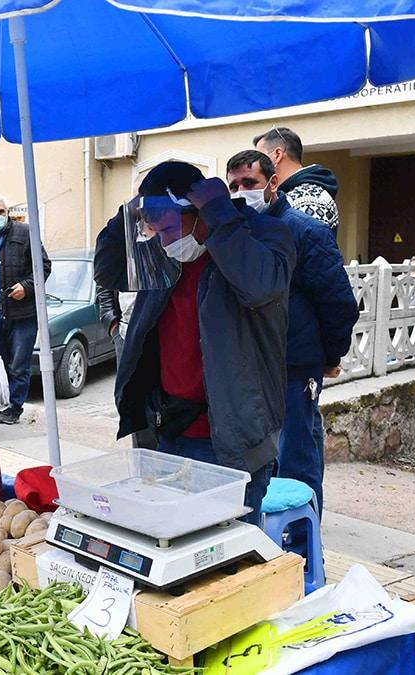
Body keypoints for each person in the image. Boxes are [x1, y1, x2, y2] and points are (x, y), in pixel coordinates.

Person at [94, 161, 295, 525]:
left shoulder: (265, 235)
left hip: (233, 443)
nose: (164, 240)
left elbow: (260, 286)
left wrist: (219, 212)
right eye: (155, 229)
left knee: (230, 562)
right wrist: (131, 210)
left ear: (199, 212)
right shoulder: (163, 254)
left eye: (169, 227)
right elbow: (108, 269)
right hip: (170, 432)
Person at [227, 150, 359, 514]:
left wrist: (328, 357)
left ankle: (302, 543)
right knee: (256, 465)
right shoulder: (233, 235)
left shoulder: (304, 232)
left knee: (296, 461)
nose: (241, 192)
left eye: (249, 183)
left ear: (272, 183)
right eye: (233, 185)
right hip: (249, 370)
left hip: (294, 369)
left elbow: (338, 303)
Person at [0, 193, 51, 425]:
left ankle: (15, 407)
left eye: (0, 211)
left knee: (19, 362)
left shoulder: (25, 233)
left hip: (22, 311)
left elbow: (44, 266)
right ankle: (3, 405)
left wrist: (26, 287)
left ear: (8, 212)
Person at [96, 284, 158, 449]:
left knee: (160, 397)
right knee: (132, 401)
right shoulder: (116, 258)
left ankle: (165, 455)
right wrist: (113, 326)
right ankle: (144, 458)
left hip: (157, 329)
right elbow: (104, 284)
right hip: (124, 333)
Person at [253, 127, 340, 232]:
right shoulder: (288, 195)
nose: (256, 164)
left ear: (277, 155)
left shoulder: (308, 198)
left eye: (259, 158)